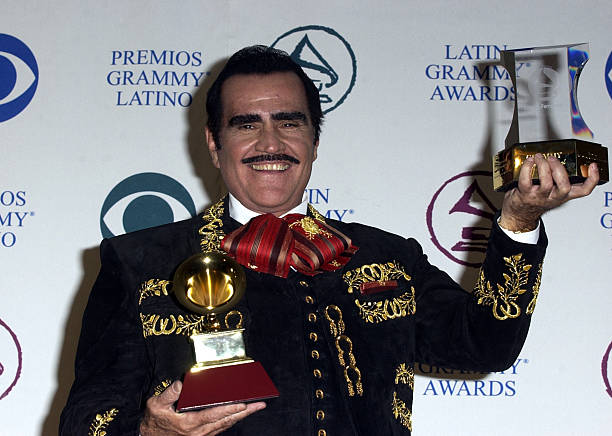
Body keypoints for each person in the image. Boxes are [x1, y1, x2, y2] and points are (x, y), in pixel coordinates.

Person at [60, 45, 599, 436]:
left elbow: (487, 344)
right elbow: (86, 422)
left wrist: (520, 219)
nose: (269, 142)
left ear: (314, 141)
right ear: (213, 143)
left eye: (289, 123)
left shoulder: (389, 258)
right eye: (246, 125)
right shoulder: (140, 262)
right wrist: (151, 434)